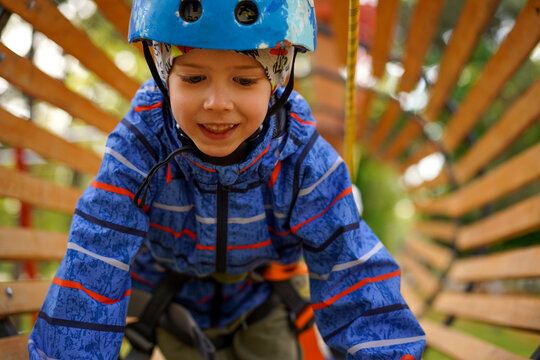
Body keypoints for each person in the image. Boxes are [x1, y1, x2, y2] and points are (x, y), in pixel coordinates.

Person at [28, 0, 425, 359]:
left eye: (245, 81)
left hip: (259, 298)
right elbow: (98, 252)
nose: (217, 103)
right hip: (171, 300)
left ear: (276, 81)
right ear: (165, 74)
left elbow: (349, 261)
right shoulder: (141, 144)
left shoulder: (300, 155)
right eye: (194, 79)